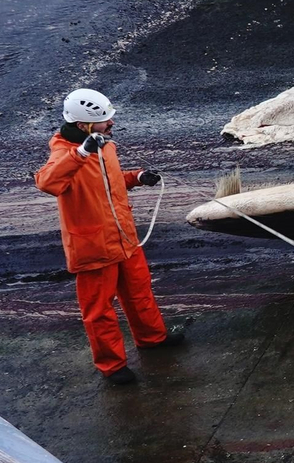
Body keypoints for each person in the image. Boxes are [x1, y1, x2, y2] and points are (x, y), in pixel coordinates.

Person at [34, 88, 183, 385]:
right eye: (105, 120)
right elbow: (47, 183)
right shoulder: (65, 154)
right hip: (93, 247)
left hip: (125, 239)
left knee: (140, 292)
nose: (111, 123)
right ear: (83, 126)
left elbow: (110, 181)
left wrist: (137, 177)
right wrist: (81, 153)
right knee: (99, 310)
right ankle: (112, 366)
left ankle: (152, 338)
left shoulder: (104, 146)